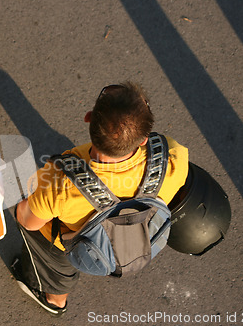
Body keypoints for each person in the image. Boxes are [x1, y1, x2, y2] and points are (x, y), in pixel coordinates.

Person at [13, 82, 189, 316]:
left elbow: (28, 220)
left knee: (51, 252)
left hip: (79, 242)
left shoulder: (61, 182)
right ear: (145, 138)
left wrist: (24, 203)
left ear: (88, 118)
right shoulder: (172, 155)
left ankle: (55, 300)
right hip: (144, 233)